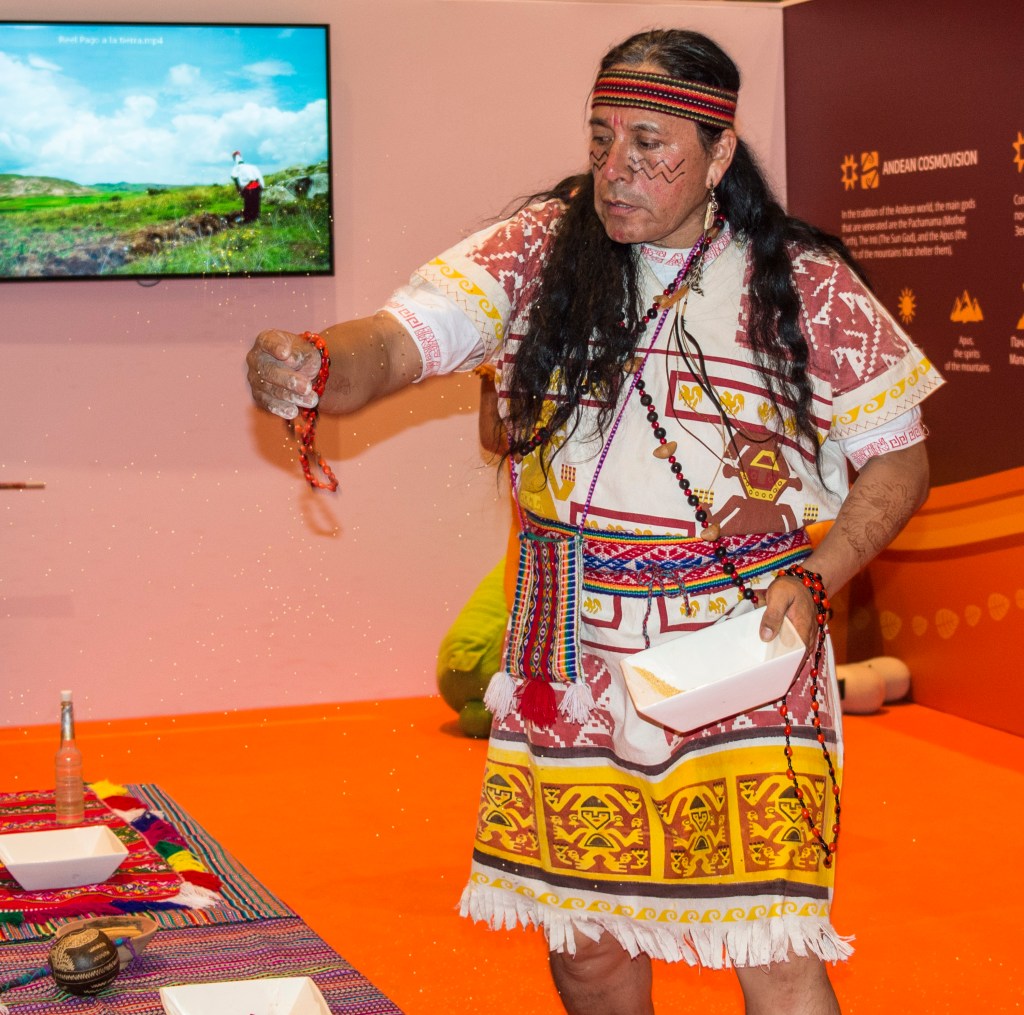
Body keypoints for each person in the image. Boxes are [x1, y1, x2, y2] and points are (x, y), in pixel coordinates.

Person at [246, 29, 942, 1015]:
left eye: (649, 144)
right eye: (601, 138)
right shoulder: (536, 247)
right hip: (572, 655)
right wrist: (315, 361)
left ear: (719, 153)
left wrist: (819, 574)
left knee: (771, 943)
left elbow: (900, 457)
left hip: (747, 644)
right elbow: (398, 344)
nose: (616, 169)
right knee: (586, 952)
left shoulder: (804, 280)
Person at [230, 150, 265, 222]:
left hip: (248, 189)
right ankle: (255, 219)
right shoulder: (252, 167)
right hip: (256, 187)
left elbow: (235, 179)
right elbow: (259, 178)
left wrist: (239, 190)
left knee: (248, 206)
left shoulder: (236, 169)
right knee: (256, 205)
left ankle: (249, 220)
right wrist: (262, 187)